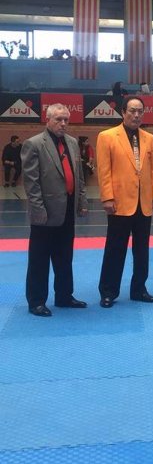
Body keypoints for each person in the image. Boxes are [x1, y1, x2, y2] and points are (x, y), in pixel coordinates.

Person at [21, 103, 88, 316]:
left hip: (67, 209)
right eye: (59, 119)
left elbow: (79, 176)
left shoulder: (72, 143)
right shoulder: (33, 144)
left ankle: (64, 296)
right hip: (45, 212)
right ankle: (36, 301)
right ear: (47, 119)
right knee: (39, 259)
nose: (63, 123)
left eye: (66, 119)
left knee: (65, 257)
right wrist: (38, 211)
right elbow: (31, 183)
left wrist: (82, 202)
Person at [96, 96, 153, 308]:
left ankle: (139, 289)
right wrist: (107, 197)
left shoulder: (149, 138)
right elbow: (104, 171)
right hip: (119, 202)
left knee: (142, 250)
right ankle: (108, 291)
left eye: (140, 111)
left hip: (144, 202)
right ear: (123, 112)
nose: (136, 115)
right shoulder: (107, 136)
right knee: (115, 249)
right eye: (132, 111)